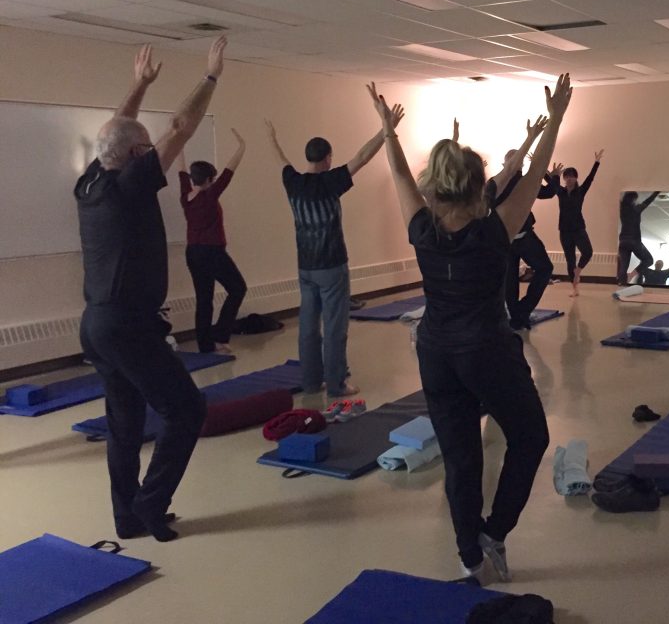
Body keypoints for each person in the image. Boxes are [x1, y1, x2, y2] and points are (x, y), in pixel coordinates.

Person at [367, 74, 570, 584]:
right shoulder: (496, 230)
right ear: (480, 186)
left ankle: (468, 556)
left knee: (461, 459)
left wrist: (388, 132)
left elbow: (399, 177)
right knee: (529, 437)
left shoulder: (421, 228)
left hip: (435, 353)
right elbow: (537, 169)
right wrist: (558, 117)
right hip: (487, 352)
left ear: (435, 186)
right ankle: (493, 533)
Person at [76, 39, 227, 542]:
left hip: (96, 325)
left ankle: (127, 515)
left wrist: (139, 86)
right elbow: (180, 129)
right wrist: (209, 78)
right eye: (145, 150)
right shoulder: (131, 184)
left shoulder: (92, 183)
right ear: (138, 156)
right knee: (186, 409)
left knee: (124, 423)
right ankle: (149, 504)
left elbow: (113, 134)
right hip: (127, 325)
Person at [265, 111, 400, 398]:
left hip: (305, 268)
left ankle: (312, 382)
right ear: (327, 157)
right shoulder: (330, 181)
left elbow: (281, 161)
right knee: (335, 328)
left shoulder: (293, 182)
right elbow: (362, 157)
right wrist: (385, 129)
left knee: (307, 327)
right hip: (332, 266)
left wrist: (272, 140)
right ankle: (338, 385)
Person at [176, 129, 247, 354]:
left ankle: (206, 346)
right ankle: (219, 337)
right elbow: (229, 171)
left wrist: (180, 140)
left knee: (204, 299)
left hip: (193, 253)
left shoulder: (185, 196)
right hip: (212, 252)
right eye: (212, 179)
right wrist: (241, 147)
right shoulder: (209, 195)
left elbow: (181, 170)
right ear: (208, 180)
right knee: (238, 288)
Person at [484, 119, 558, 330]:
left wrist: (550, 175)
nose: (517, 166)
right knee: (511, 281)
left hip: (523, 237)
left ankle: (520, 312)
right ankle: (518, 314)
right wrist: (548, 175)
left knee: (542, 269)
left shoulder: (518, 181)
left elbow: (549, 192)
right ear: (506, 164)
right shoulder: (497, 184)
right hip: (506, 240)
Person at [556, 152, 602, 296]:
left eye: (572, 176)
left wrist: (596, 162)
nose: (569, 179)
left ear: (576, 178)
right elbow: (550, 181)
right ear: (564, 178)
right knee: (570, 259)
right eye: (566, 176)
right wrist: (543, 167)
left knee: (588, 252)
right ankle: (575, 288)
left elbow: (590, 178)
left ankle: (579, 271)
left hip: (578, 229)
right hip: (564, 231)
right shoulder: (561, 192)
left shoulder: (581, 191)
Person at [616, 191, 659, 285]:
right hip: (634, 240)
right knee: (649, 260)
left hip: (623, 241)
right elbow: (647, 202)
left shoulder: (622, 210)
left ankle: (621, 284)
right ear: (633, 200)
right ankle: (631, 275)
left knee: (624, 265)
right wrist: (656, 193)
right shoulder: (636, 209)